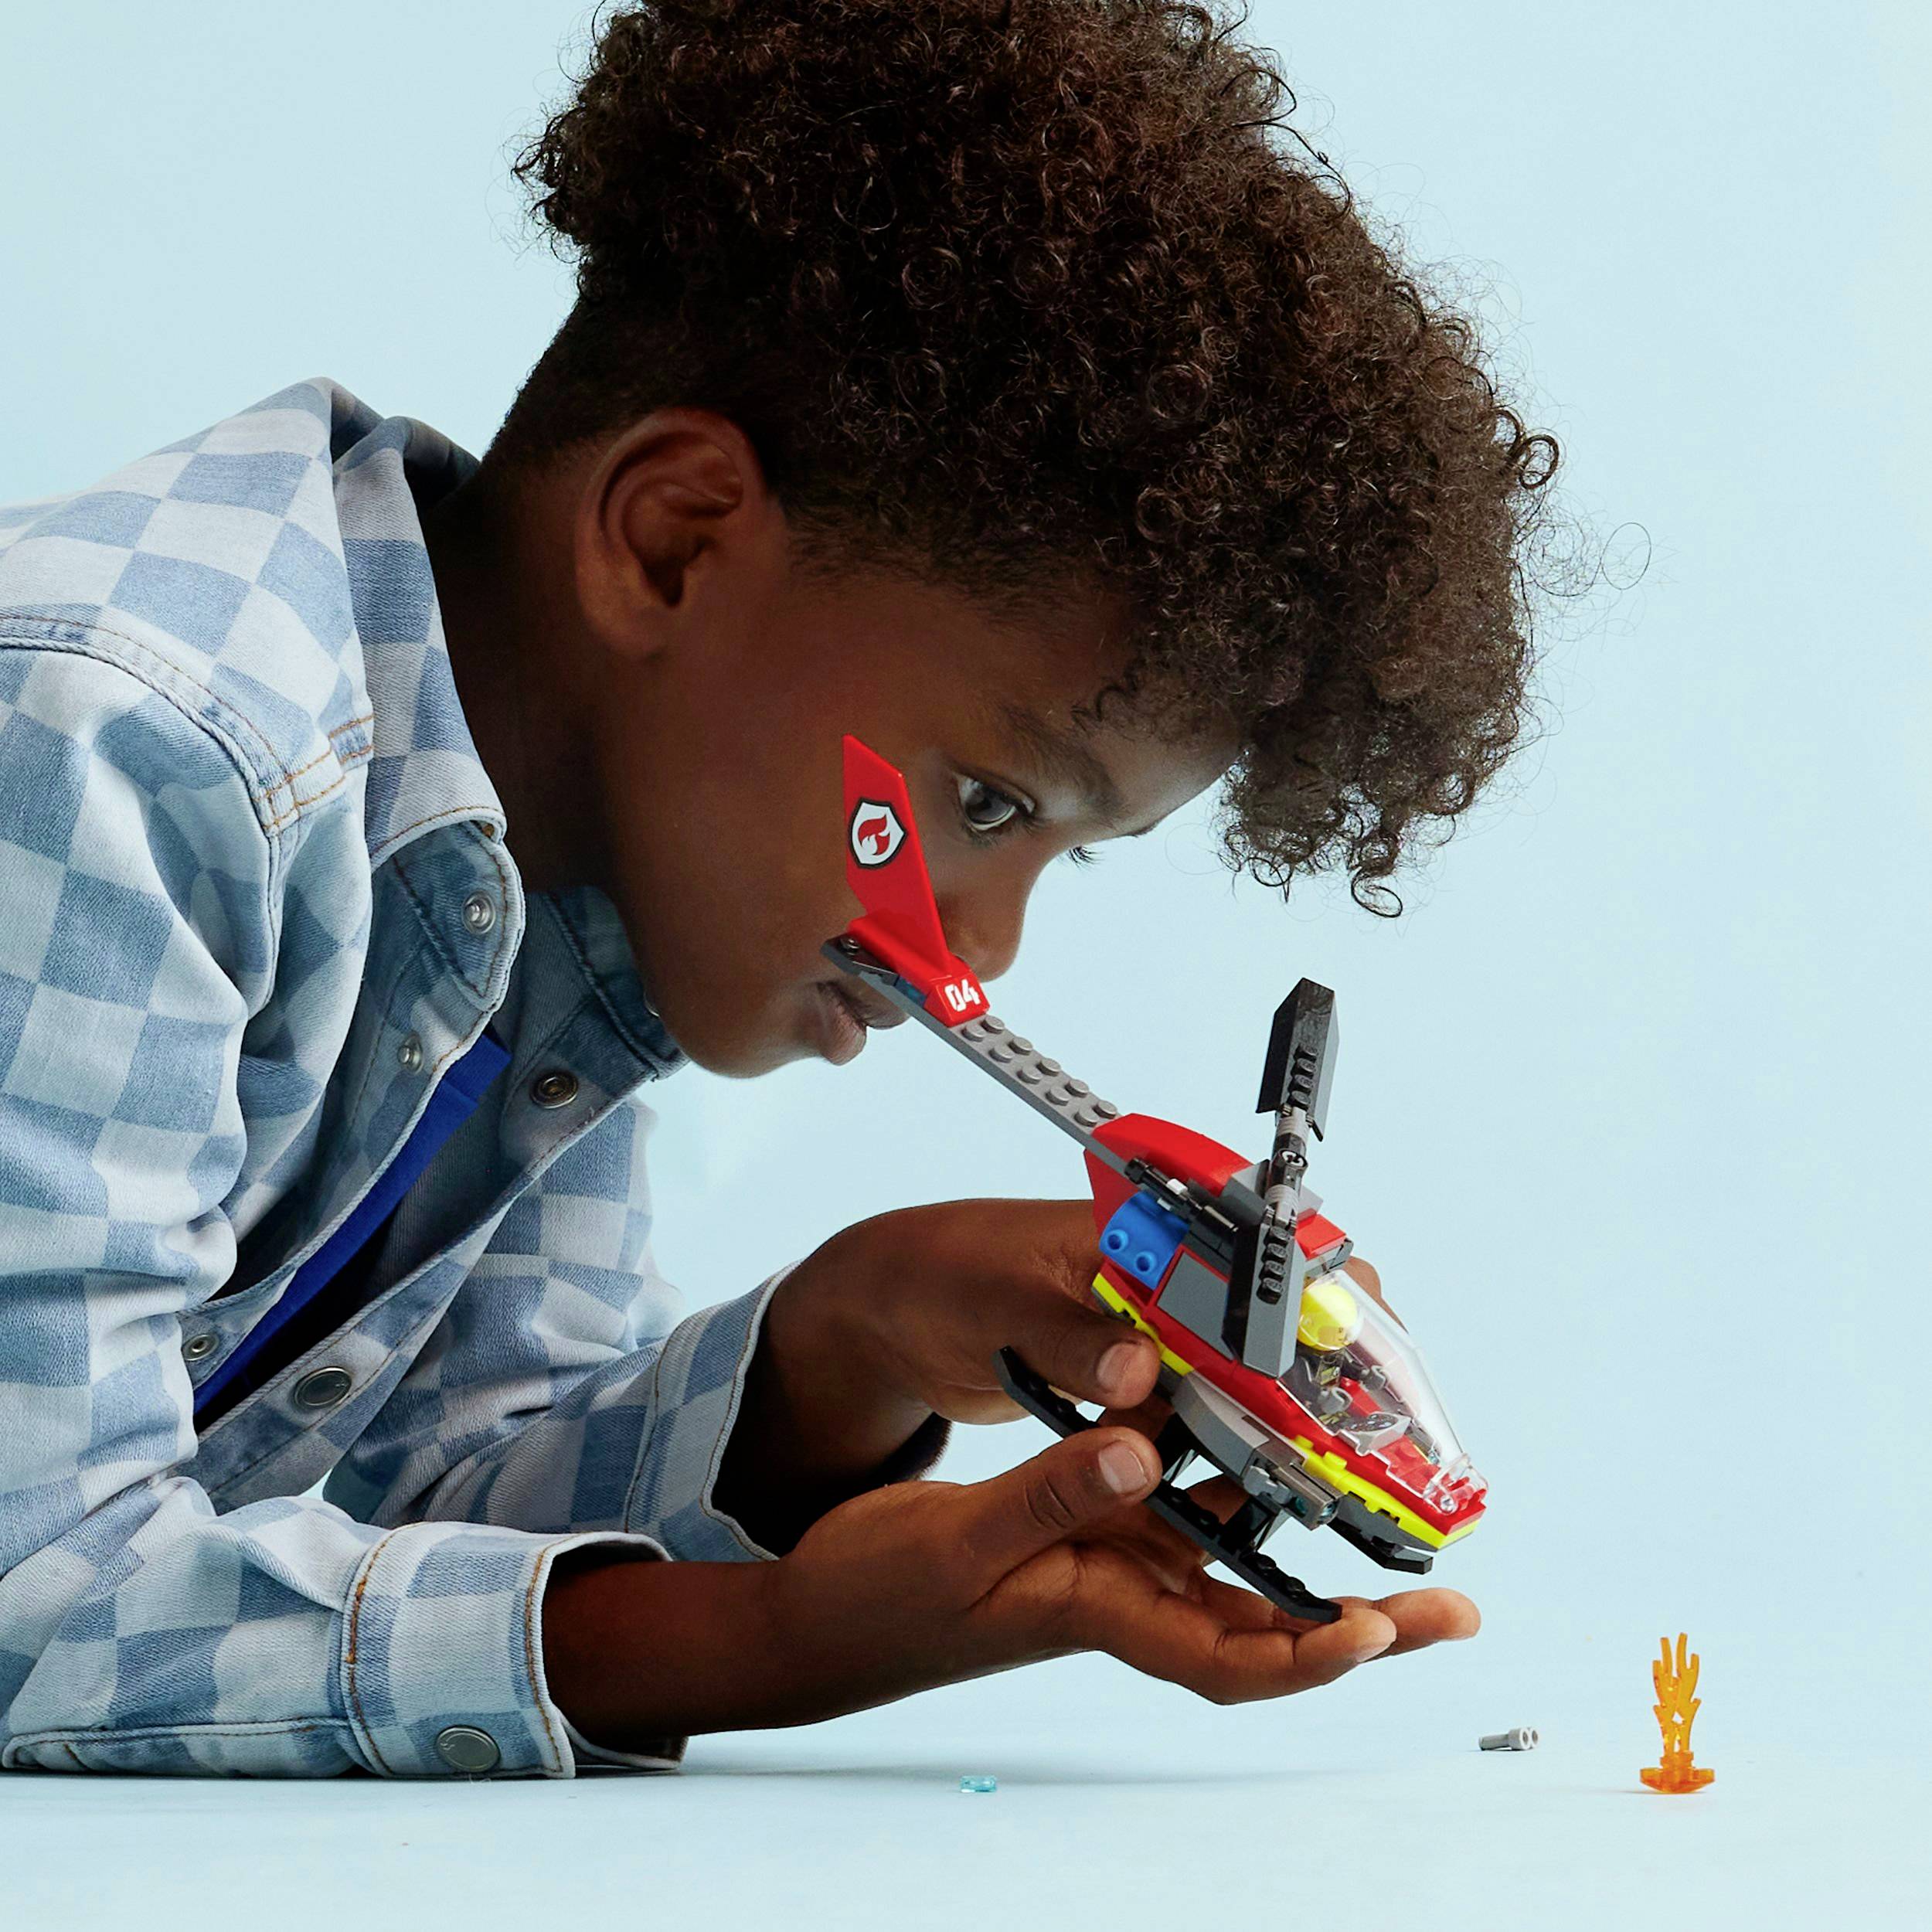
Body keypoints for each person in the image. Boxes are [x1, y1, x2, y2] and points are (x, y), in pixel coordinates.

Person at [0, 0, 1556, 1777]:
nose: (981, 947)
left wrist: (841, 1348)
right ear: (674, 540)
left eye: (1061, 852)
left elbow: (395, 1493)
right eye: (986, 801)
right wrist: (761, 1643)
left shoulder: (577, 872)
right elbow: (36, 1583)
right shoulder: (117, 745)